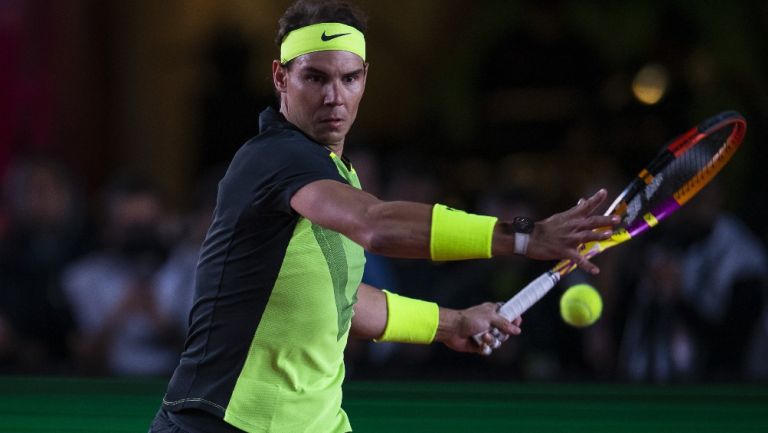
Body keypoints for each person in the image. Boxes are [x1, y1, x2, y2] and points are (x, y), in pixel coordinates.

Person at [150, 1, 617, 432]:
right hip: (221, 421)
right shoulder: (273, 158)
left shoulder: (337, 177)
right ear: (280, 77)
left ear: (365, 79)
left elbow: (343, 300)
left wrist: (451, 324)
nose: (335, 96)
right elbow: (375, 225)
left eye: (349, 78)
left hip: (316, 422)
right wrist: (521, 236)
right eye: (315, 77)